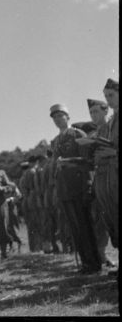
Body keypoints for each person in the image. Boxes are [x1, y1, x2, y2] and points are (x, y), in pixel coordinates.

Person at [49, 104, 101, 274]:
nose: (58, 120)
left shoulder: (78, 134)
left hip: (79, 187)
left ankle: (94, 264)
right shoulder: (55, 141)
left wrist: (70, 162)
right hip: (65, 189)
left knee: (85, 226)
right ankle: (85, 263)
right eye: (54, 117)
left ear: (67, 117)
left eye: (60, 116)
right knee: (75, 228)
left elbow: (88, 162)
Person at [93, 79, 120, 276]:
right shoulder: (111, 122)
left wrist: (112, 152)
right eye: (106, 96)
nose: (108, 100)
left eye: (111, 95)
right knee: (112, 217)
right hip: (109, 174)